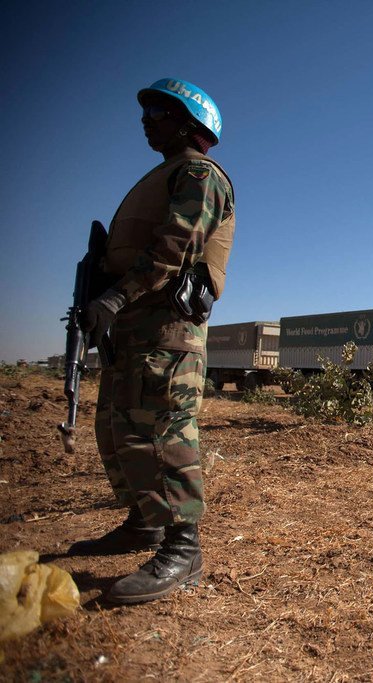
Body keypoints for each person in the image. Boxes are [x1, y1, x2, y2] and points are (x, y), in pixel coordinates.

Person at [68, 78, 235, 606]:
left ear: (190, 124)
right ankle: (144, 522)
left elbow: (176, 246)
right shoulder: (160, 174)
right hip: (133, 327)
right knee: (119, 429)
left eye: (160, 113)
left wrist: (115, 298)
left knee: (163, 431)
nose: (146, 121)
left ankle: (184, 550)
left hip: (167, 328)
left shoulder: (200, 174)